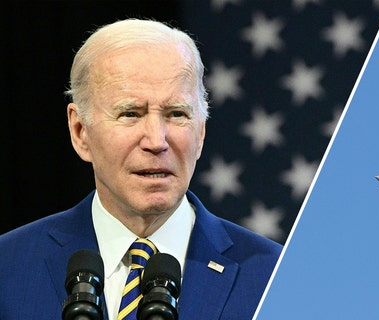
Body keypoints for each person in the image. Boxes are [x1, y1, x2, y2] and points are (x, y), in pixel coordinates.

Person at [0, 18, 282, 320]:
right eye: (130, 114)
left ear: (200, 133)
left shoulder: (275, 276)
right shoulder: (8, 266)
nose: (156, 141)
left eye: (176, 114)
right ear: (80, 131)